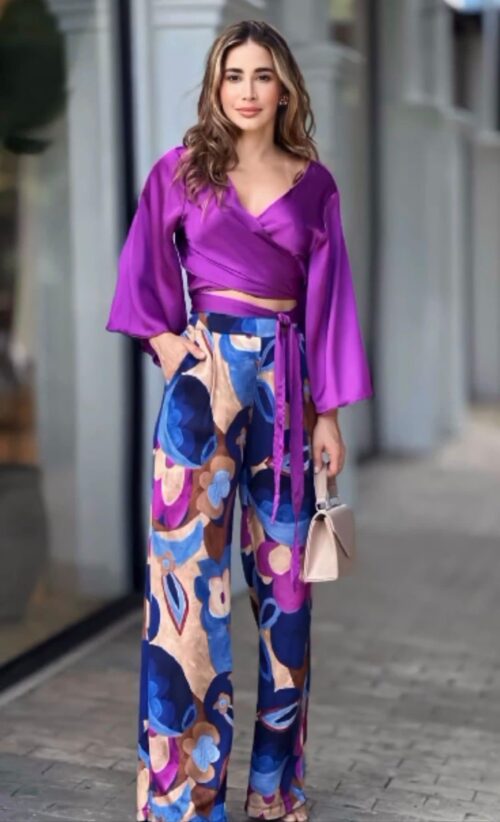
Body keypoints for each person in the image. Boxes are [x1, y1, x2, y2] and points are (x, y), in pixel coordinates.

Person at [106, 18, 373, 822]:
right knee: (187, 590)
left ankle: (274, 792)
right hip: (204, 391)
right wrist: (166, 344)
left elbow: (331, 301)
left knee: (287, 597)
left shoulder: (315, 185)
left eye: (262, 75)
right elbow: (140, 271)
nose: (248, 91)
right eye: (234, 75)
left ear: (284, 87)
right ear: (216, 88)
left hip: (288, 389)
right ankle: (184, 795)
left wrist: (328, 413)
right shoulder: (181, 171)